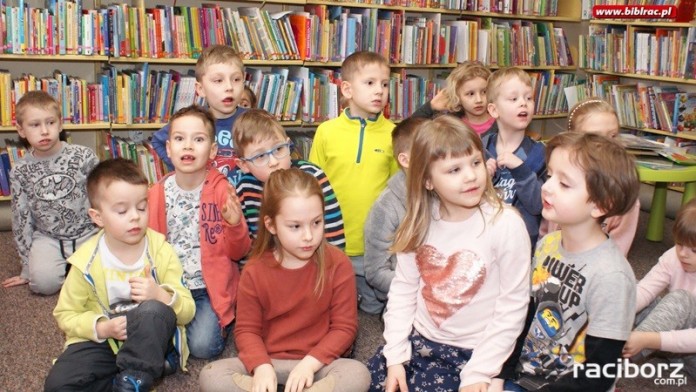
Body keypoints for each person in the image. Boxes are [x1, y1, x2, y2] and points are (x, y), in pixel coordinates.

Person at [367, 115, 531, 391]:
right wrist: (395, 355)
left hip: (478, 353)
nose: (471, 176)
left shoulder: (506, 225)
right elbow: (404, 290)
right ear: (428, 180)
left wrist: (478, 372)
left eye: (476, 163)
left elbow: (512, 308)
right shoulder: (419, 222)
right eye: (454, 170)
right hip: (419, 344)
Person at [199, 168, 370, 392]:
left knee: (357, 375)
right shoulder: (254, 270)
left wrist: (309, 365)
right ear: (271, 225)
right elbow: (247, 331)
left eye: (316, 223)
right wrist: (261, 366)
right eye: (295, 226)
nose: (309, 235)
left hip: (318, 364)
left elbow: (344, 328)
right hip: (270, 362)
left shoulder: (338, 264)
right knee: (212, 376)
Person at [502, 132, 640, 391]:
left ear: (600, 205)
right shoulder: (548, 244)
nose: (546, 186)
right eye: (550, 175)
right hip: (524, 373)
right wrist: (501, 372)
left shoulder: (611, 277)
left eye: (564, 184)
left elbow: (600, 372)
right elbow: (523, 315)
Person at [44, 158, 195, 392]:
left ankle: (134, 377)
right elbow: (66, 314)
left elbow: (187, 310)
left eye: (142, 207)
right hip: (105, 341)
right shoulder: (85, 262)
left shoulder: (161, 250)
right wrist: (102, 328)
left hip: (149, 339)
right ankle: (129, 379)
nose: (135, 216)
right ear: (97, 217)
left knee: (153, 311)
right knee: (58, 385)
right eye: (122, 210)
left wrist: (161, 295)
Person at [147, 106, 252, 359]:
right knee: (143, 329)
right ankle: (175, 328)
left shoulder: (221, 190)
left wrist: (234, 223)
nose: (189, 147)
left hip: (207, 288)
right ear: (169, 149)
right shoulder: (157, 192)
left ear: (213, 150)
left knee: (204, 347)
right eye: (180, 139)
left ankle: (220, 319)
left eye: (199, 139)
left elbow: (239, 251)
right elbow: (148, 246)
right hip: (170, 284)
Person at [309, 51, 399, 314]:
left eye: (384, 84)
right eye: (370, 83)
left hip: (375, 243)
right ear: (347, 89)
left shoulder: (393, 134)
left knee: (373, 309)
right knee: (332, 304)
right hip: (333, 241)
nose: (379, 91)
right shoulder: (326, 131)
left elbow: (396, 191)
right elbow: (312, 183)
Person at [2, 90, 99, 295]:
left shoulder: (84, 156)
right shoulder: (20, 170)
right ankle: (67, 267)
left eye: (50, 122)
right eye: (35, 125)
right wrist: (27, 266)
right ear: (20, 130)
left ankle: (75, 268)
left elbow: (104, 198)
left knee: (102, 279)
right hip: (48, 238)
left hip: (87, 233)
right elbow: (21, 217)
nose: (44, 131)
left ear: (60, 124)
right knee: (42, 286)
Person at [540, 98, 639, 256]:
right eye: (594, 137)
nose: (608, 144)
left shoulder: (622, 195)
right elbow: (547, 231)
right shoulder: (559, 183)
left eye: (613, 135)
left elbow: (617, 252)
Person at [234, 108, 345, 248]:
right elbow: (248, 247)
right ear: (244, 164)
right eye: (260, 156)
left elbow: (334, 234)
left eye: (279, 149)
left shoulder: (312, 177)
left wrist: (334, 267)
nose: (273, 162)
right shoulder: (245, 188)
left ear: (288, 144)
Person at [151, 45, 248, 185]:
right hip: (204, 198)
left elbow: (281, 147)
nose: (229, 87)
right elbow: (158, 141)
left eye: (236, 79)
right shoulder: (192, 121)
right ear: (200, 89)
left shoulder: (254, 121)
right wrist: (185, 166)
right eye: (218, 80)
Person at [622, 198, 696, 380]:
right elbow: (645, 289)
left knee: (680, 299)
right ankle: (614, 339)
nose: (684, 254)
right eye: (679, 243)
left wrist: (647, 339)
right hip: (669, 342)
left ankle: (622, 358)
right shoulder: (674, 257)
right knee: (630, 286)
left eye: (694, 250)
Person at [363, 117, 426, 312]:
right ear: (405, 160)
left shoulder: (445, 192)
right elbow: (375, 272)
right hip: (405, 298)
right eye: (428, 152)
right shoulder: (385, 207)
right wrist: (423, 289)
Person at [482, 67, 545, 246]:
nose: (523, 103)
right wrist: (482, 178)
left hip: (521, 243)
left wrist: (520, 170)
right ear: (494, 110)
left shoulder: (539, 153)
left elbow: (537, 206)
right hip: (484, 239)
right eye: (513, 98)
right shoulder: (480, 148)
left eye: (528, 98)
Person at [411, 61, 496, 136]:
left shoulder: (501, 121)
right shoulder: (451, 124)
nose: (479, 100)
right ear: (457, 96)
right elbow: (409, 131)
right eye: (470, 94)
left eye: (484, 92)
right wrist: (430, 107)